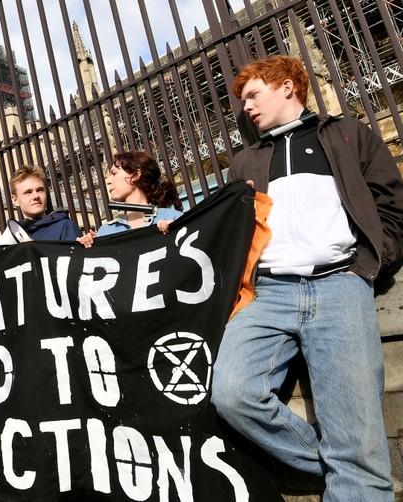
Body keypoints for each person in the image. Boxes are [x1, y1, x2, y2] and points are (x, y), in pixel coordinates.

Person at [210, 55, 403, 501]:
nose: (247, 108)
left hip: (340, 285)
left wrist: (368, 265)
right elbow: (223, 229)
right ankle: (343, 464)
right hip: (269, 293)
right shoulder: (245, 162)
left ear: (288, 88)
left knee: (358, 433)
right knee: (233, 392)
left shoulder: (348, 134)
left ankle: (356, 472)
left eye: (253, 95)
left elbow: (392, 204)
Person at [96, 150, 183, 236]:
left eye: (114, 174)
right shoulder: (106, 232)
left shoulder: (172, 218)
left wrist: (177, 230)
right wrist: (87, 245)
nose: (108, 181)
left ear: (136, 175)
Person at [8, 164, 83, 240]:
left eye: (40, 190)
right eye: (28, 192)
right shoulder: (13, 237)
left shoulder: (65, 226)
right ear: (15, 200)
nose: (36, 196)